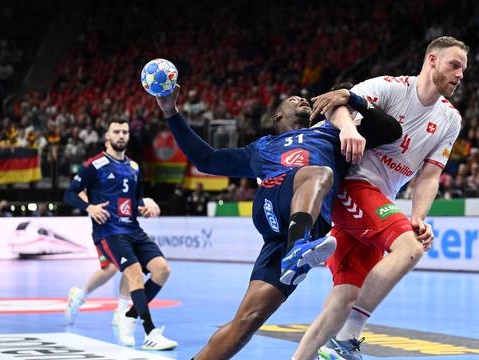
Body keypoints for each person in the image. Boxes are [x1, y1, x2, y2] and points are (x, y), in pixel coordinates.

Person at [154, 83, 401, 359]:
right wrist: (170, 112)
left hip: (298, 232)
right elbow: (207, 160)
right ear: (278, 117)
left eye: (303, 97)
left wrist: (351, 99)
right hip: (274, 205)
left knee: (246, 322)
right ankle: (298, 249)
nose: (301, 99)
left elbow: (392, 132)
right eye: (293, 99)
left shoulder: (333, 133)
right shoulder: (261, 148)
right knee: (318, 173)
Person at [292, 35, 467, 360]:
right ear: (431, 60)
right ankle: (346, 339)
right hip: (351, 188)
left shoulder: (450, 119)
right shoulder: (391, 87)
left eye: (463, 70)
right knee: (411, 248)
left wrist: (419, 216)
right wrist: (347, 129)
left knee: (345, 296)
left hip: (377, 202)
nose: (459, 75)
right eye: (454, 65)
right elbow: (338, 103)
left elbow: (429, 175)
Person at [64, 119, 177, 350]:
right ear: (107, 137)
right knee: (130, 272)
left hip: (133, 229)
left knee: (163, 270)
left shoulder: (134, 167)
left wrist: (146, 206)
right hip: (109, 231)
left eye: (125, 131)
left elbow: (136, 201)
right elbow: (69, 194)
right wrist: (90, 207)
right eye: (116, 131)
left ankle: (128, 314)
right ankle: (149, 331)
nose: (121, 135)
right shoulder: (94, 165)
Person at [65, 193, 162, 326]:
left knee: (133, 265)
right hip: (105, 229)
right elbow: (79, 192)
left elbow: (135, 195)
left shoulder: (130, 173)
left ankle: (121, 311)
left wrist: (149, 202)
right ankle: (78, 297)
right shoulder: (94, 174)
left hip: (125, 230)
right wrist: (91, 205)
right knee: (110, 268)